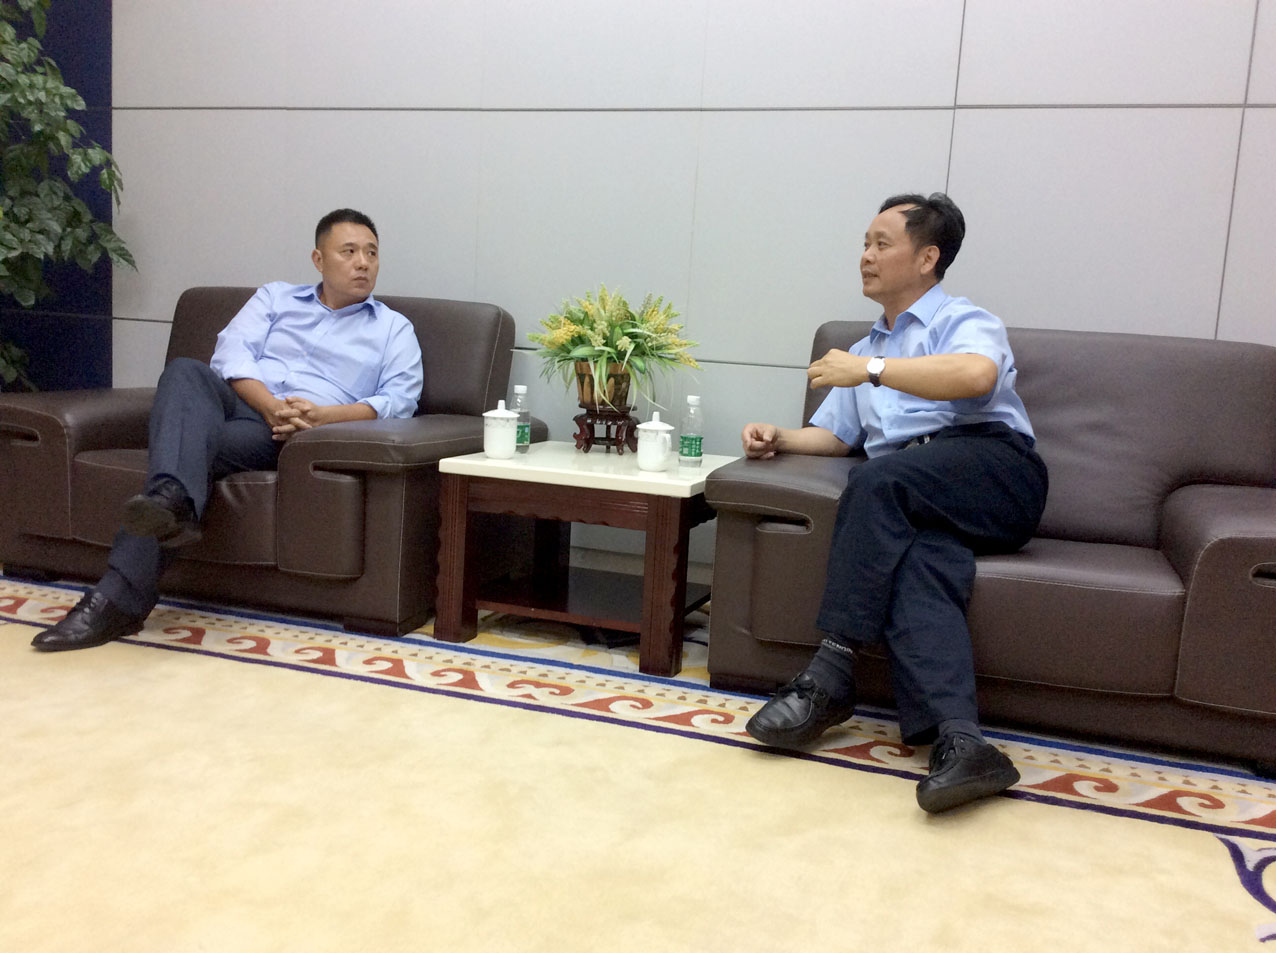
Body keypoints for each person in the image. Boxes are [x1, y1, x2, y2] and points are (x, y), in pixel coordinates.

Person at [741, 192, 1048, 813]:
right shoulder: (865, 350)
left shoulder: (960, 319)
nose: (866, 255)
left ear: (928, 257)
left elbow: (976, 377)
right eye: (864, 243)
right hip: (919, 493)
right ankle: (963, 744)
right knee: (920, 562)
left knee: (880, 481)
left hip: (995, 470)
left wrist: (872, 370)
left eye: (882, 244)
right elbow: (837, 437)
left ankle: (831, 672)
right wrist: (779, 438)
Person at [31, 208, 424, 652]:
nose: (363, 263)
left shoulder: (393, 329)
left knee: (182, 456)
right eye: (348, 252)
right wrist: (269, 404)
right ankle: (170, 505)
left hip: (295, 436)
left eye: (371, 253)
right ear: (318, 259)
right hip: (248, 404)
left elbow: (400, 399)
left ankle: (114, 598)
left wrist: (324, 416)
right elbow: (230, 354)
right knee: (185, 371)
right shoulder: (275, 298)